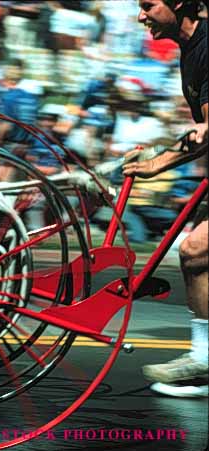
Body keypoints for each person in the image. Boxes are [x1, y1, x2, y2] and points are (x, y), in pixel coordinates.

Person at [123, 0, 208, 397]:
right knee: (195, 255)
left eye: (148, 5)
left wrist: (161, 162)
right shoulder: (190, 50)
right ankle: (204, 361)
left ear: (177, 3)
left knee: (195, 250)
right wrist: (158, 159)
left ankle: (204, 362)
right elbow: (204, 132)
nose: (141, 16)